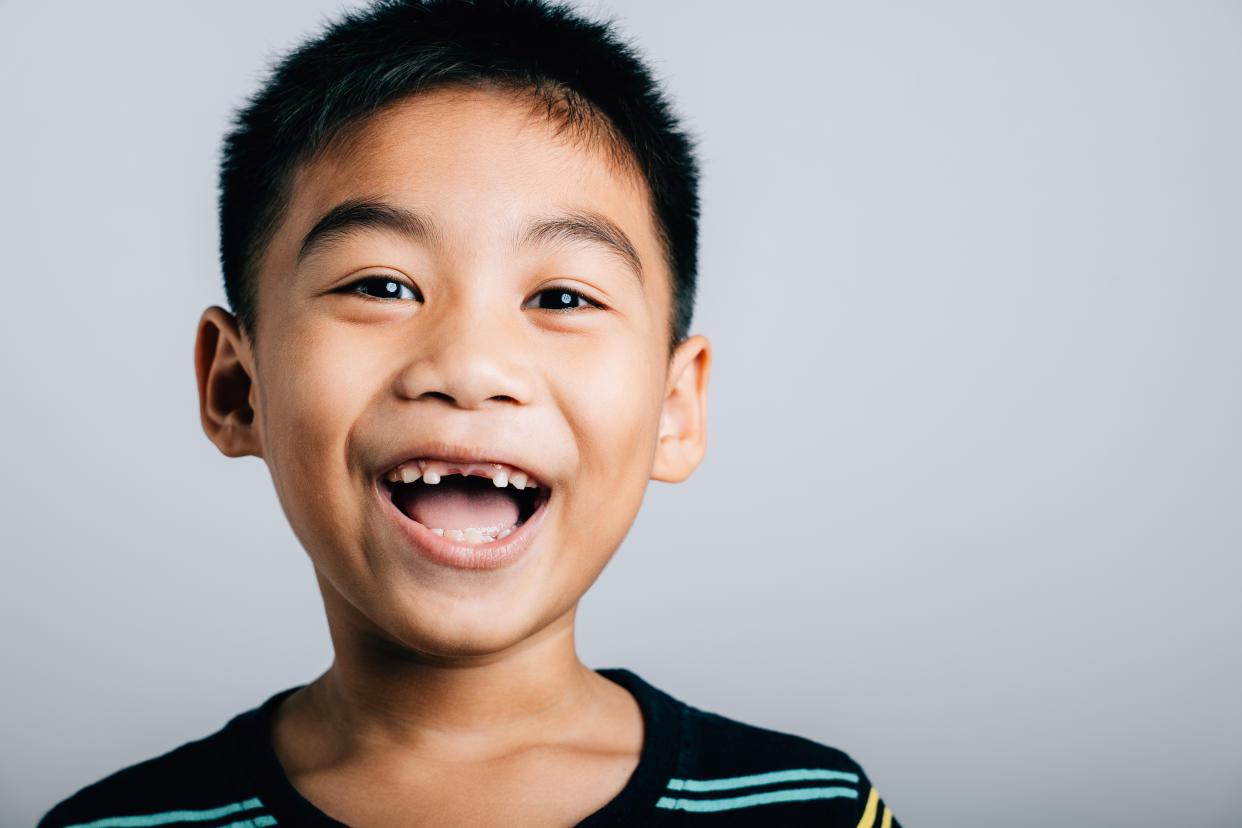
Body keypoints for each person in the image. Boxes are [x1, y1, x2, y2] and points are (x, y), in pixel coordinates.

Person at [39, 1, 900, 825]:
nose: (472, 366)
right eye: (381, 285)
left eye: (562, 296)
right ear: (237, 388)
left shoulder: (808, 807)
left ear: (674, 410)